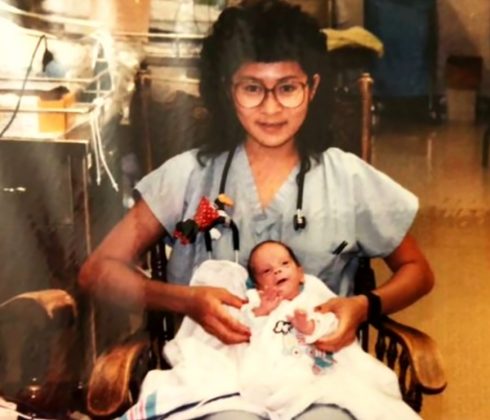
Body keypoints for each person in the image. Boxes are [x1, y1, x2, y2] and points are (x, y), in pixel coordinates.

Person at [79, 1, 434, 418]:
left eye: (287, 87)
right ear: (227, 90)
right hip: (218, 376)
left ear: (313, 87)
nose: (270, 108)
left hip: (319, 376)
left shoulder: (348, 179)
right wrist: (186, 301)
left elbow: (418, 271)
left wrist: (363, 307)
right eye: (252, 88)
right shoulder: (189, 176)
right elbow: (98, 271)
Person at [121, 244, 420, 420]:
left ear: (301, 272)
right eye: (265, 271)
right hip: (255, 383)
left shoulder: (314, 296)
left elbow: (332, 325)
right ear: (256, 284)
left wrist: (310, 326)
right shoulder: (253, 301)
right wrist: (261, 311)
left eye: (284, 264)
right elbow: (242, 328)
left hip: (311, 379)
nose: (276, 271)